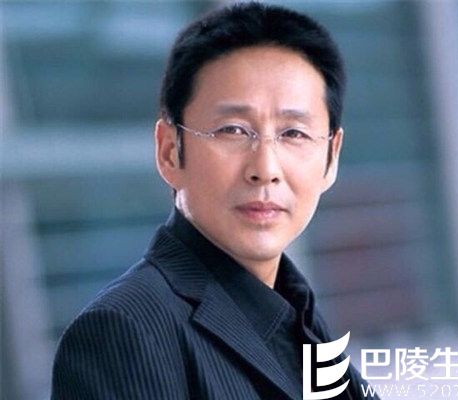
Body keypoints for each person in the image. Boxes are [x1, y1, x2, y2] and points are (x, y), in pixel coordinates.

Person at [51, 2, 379, 399]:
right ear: (170, 151)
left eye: (293, 133)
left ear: (331, 157)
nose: (265, 169)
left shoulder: (296, 315)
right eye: (233, 130)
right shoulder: (124, 331)